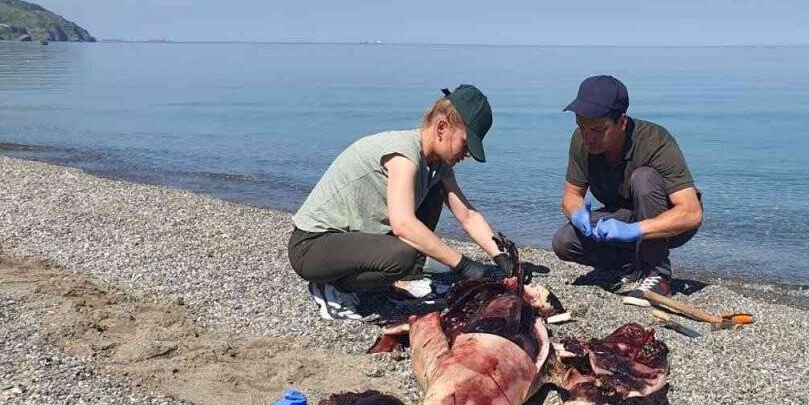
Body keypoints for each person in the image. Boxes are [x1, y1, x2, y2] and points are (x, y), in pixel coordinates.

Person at [288, 85, 512, 320]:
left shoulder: (438, 165)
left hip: (352, 241)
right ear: (442, 127)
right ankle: (331, 286)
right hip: (313, 246)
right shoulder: (403, 155)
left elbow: (467, 215)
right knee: (402, 255)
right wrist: (463, 265)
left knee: (436, 193)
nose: (467, 154)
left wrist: (502, 257)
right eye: (465, 144)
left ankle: (405, 281)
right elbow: (403, 225)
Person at [552, 75, 703, 305]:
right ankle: (632, 264)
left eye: (597, 130)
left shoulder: (655, 141)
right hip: (623, 215)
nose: (587, 137)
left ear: (621, 123)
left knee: (644, 178)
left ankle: (657, 275)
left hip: (667, 218)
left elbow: (692, 213)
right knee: (564, 242)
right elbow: (572, 195)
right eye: (581, 127)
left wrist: (635, 230)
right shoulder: (581, 141)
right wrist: (576, 213)